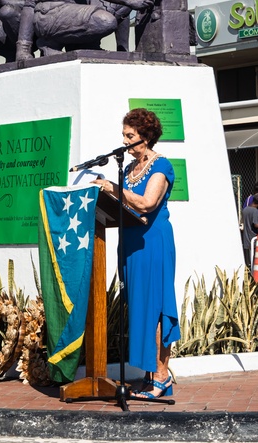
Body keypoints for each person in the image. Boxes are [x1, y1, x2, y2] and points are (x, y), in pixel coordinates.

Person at [92, 108, 179, 399]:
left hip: (153, 243)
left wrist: (113, 188)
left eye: (130, 136)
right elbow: (127, 205)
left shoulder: (161, 165)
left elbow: (146, 203)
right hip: (130, 242)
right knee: (139, 307)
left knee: (156, 307)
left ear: (146, 136)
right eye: (124, 135)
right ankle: (148, 374)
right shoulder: (129, 169)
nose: (125, 141)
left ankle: (162, 376)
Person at [240, 192, 258, 270]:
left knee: (250, 259)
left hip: (247, 238)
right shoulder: (255, 211)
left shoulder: (245, 209)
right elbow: (256, 224)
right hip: (254, 238)